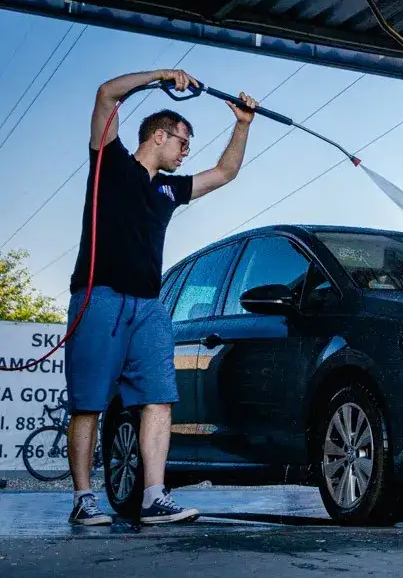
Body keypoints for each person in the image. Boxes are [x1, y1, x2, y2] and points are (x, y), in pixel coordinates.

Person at [65, 68, 257, 526]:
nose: (186, 150)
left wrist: (243, 125)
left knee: (158, 398)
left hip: (149, 306)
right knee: (89, 403)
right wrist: (161, 77)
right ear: (157, 136)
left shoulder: (171, 188)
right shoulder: (109, 162)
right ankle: (84, 498)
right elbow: (104, 92)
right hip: (99, 298)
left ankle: (154, 495)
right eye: (182, 140)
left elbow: (226, 172)